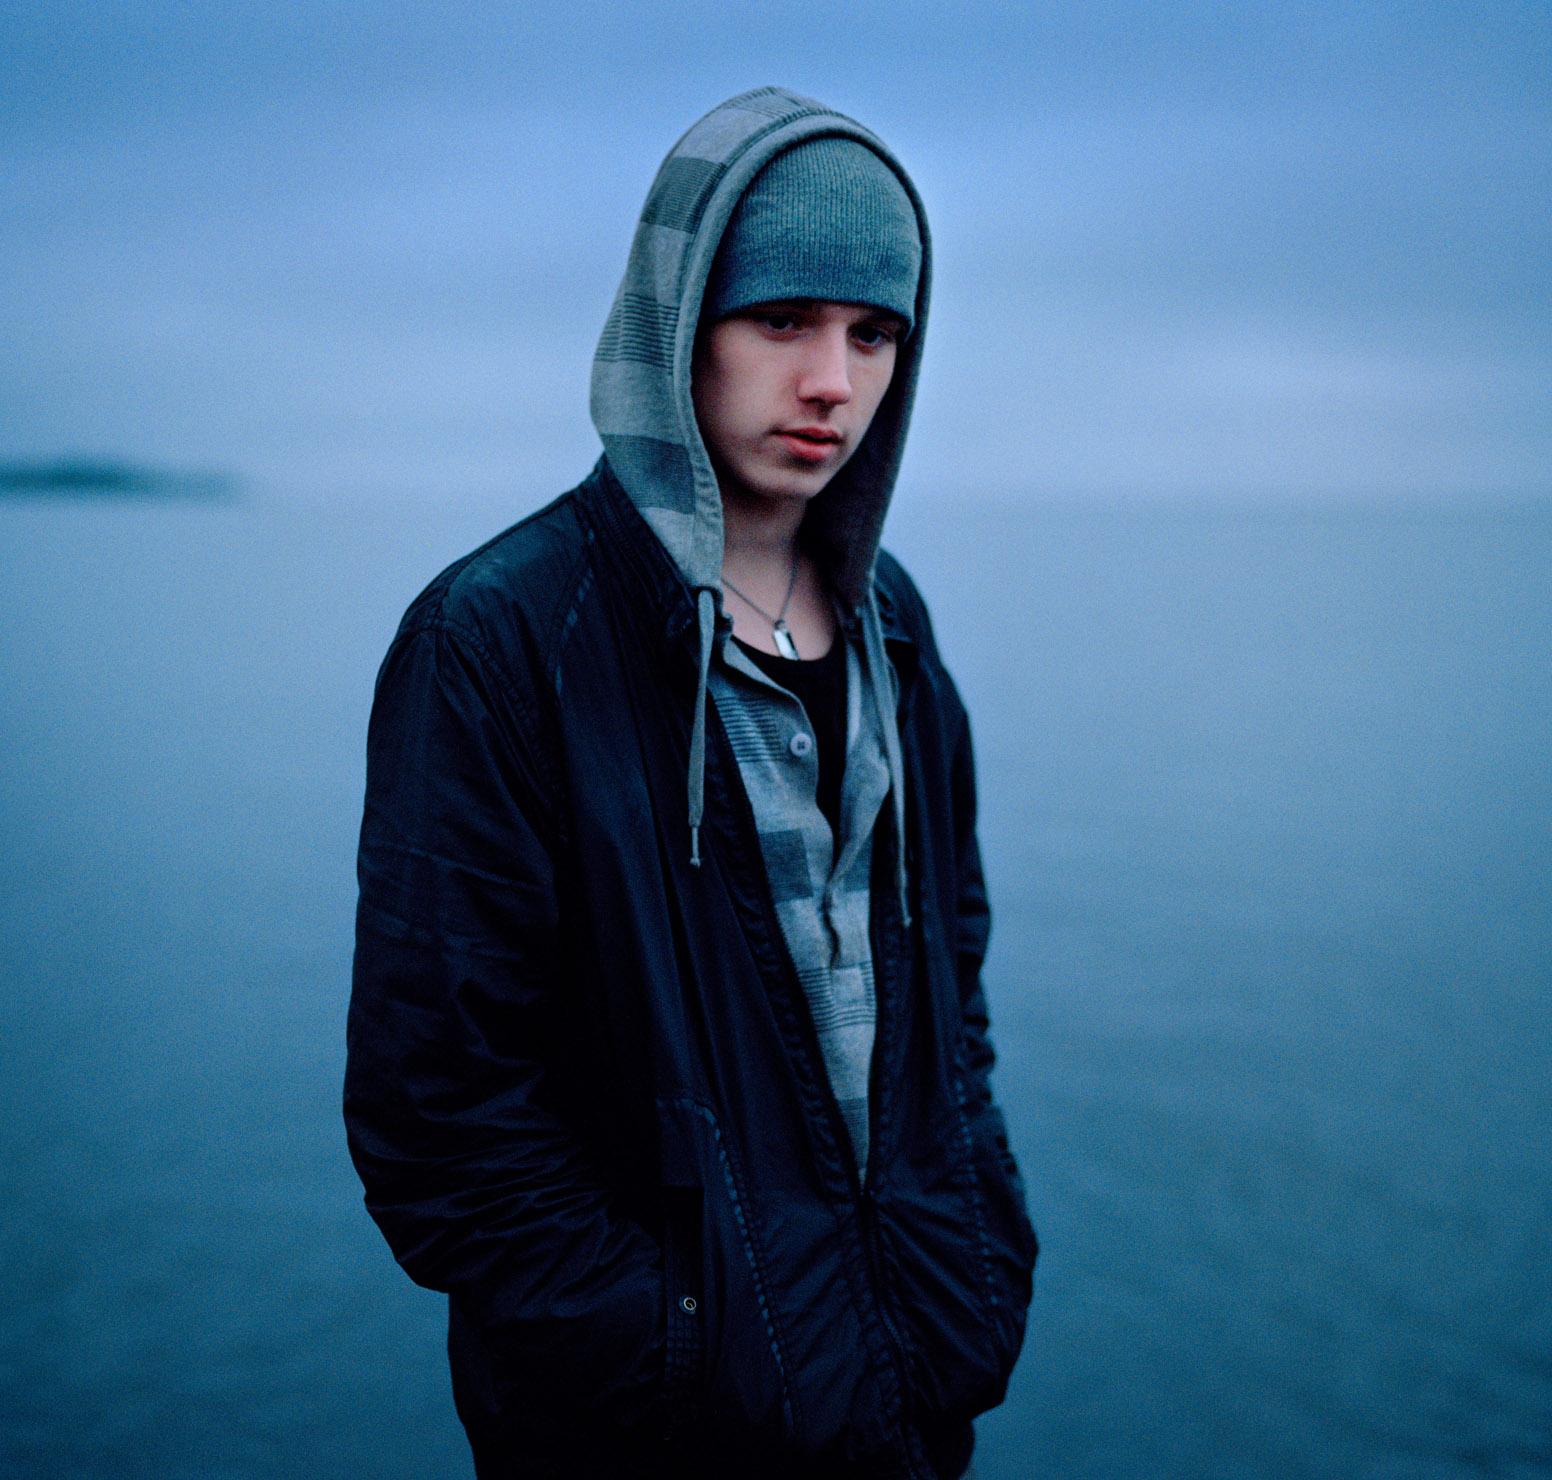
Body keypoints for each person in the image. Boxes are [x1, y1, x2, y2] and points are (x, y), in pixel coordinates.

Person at [345, 86, 1035, 1479]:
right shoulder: (501, 639)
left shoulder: (895, 627)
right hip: (646, 1441)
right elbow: (441, 1117)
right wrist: (687, 1362)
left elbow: (946, 987)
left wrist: (974, 1254)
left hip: (908, 1406)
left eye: (874, 333)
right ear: (680, 324)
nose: (832, 380)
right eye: (780, 320)